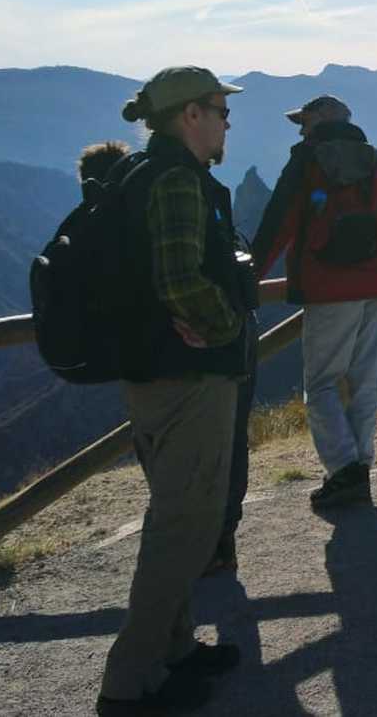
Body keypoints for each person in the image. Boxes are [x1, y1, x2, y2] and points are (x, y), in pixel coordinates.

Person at [99, 67, 255, 716]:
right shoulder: (177, 181)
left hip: (155, 374)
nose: (227, 121)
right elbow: (180, 280)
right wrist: (225, 325)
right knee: (184, 528)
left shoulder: (143, 172)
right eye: (220, 109)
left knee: (178, 516)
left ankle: (177, 651)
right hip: (187, 380)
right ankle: (127, 683)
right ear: (190, 114)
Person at [250, 95, 377, 514]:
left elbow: (278, 224)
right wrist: (375, 268)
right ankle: (360, 467)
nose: (300, 130)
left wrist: (250, 279)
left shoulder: (307, 161)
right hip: (375, 286)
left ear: (321, 119)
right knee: (366, 379)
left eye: (304, 121)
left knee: (320, 384)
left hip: (327, 288)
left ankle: (343, 470)